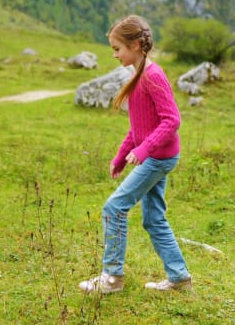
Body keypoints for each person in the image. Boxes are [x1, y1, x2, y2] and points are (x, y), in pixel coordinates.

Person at [79, 15, 192, 295]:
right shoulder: (137, 75)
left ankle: (112, 277)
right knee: (153, 219)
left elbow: (172, 120)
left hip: (159, 158)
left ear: (136, 45)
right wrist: (121, 156)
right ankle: (179, 277)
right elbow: (139, 127)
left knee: (114, 208)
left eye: (118, 49)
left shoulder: (153, 76)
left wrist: (143, 150)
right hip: (157, 155)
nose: (115, 55)